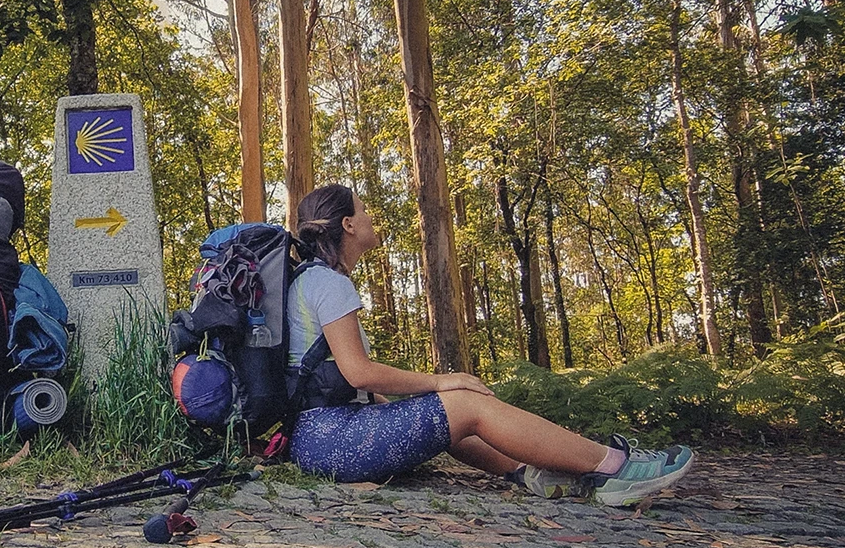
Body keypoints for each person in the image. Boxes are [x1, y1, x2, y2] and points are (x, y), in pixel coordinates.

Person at [287, 183, 695, 506]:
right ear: (348, 225)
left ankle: (531, 472)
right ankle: (614, 468)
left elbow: (352, 382)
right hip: (330, 439)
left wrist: (417, 405)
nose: (370, 216)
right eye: (363, 209)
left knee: (448, 419)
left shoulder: (313, 279)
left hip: (322, 438)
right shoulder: (329, 282)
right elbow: (358, 371)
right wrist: (441, 381)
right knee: (465, 401)